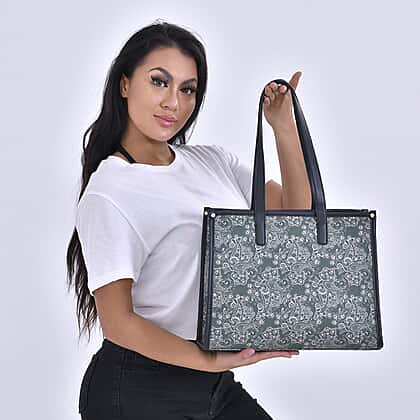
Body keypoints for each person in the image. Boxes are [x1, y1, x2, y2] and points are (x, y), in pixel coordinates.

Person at [66, 19, 300, 420]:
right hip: (136, 390)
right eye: (159, 82)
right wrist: (208, 359)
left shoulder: (212, 162)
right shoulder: (110, 189)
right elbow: (118, 322)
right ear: (125, 84)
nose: (173, 102)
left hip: (212, 386)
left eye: (187, 89)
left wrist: (283, 127)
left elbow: (295, 220)